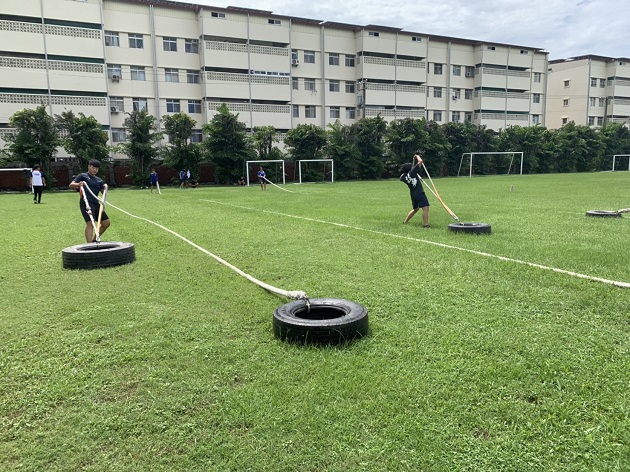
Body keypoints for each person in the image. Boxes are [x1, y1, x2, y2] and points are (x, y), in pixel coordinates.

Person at [69, 159, 110, 243]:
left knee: (106, 223)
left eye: (97, 168)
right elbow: (71, 185)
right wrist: (78, 184)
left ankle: (94, 240)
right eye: (93, 167)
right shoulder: (82, 176)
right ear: (89, 167)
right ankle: (89, 245)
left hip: (96, 204)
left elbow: (103, 192)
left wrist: (105, 189)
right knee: (90, 223)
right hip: (86, 203)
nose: (95, 170)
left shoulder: (99, 180)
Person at [400, 154, 430, 227]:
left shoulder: (403, 177)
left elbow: (402, 176)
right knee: (425, 207)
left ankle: (405, 221)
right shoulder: (412, 173)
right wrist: (417, 156)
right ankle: (426, 225)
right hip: (420, 193)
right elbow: (420, 161)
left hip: (413, 194)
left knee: (415, 209)